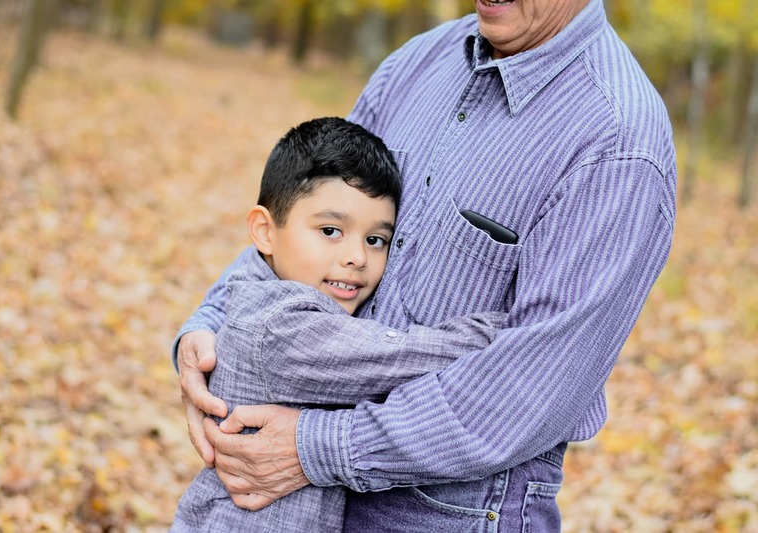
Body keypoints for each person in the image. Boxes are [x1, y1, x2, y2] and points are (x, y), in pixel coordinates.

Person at [174, 0, 678, 530]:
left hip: (446, 511)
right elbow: (304, 209)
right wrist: (207, 326)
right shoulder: (422, 59)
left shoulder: (619, 146)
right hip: (300, 494)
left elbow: (532, 393)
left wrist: (315, 448)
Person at [171, 117, 502, 532]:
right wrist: (503, 333)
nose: (357, 257)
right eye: (330, 230)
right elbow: (397, 355)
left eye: (375, 239)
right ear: (264, 231)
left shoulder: (264, 292)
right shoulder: (284, 328)